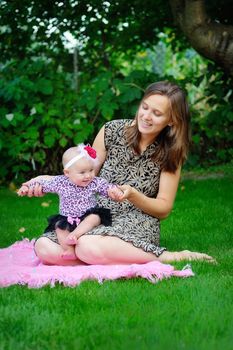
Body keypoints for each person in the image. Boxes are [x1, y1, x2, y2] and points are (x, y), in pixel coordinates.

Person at [22, 80, 215, 265]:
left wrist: (133, 195)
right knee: (45, 247)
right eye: (145, 107)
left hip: (137, 221)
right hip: (93, 216)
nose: (146, 116)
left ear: (172, 120)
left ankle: (169, 257)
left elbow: (163, 209)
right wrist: (43, 180)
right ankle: (108, 257)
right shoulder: (111, 130)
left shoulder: (170, 152)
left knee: (87, 245)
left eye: (156, 113)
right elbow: (84, 175)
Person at [18, 144, 120, 261]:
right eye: (82, 172)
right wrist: (26, 188)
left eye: (91, 170)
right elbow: (42, 184)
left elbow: (106, 187)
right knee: (59, 228)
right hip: (67, 218)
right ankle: (69, 250)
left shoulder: (94, 182)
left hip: (87, 214)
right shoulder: (60, 182)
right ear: (67, 173)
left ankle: (74, 235)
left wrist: (113, 191)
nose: (88, 175)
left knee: (94, 218)